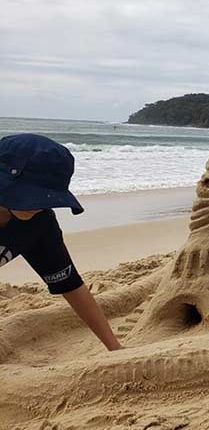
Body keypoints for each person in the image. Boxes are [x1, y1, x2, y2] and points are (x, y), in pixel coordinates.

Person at [0, 134, 122, 351]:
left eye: (46, 196)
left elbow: (71, 286)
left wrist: (114, 348)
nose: (37, 204)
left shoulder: (39, 223)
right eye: (30, 194)